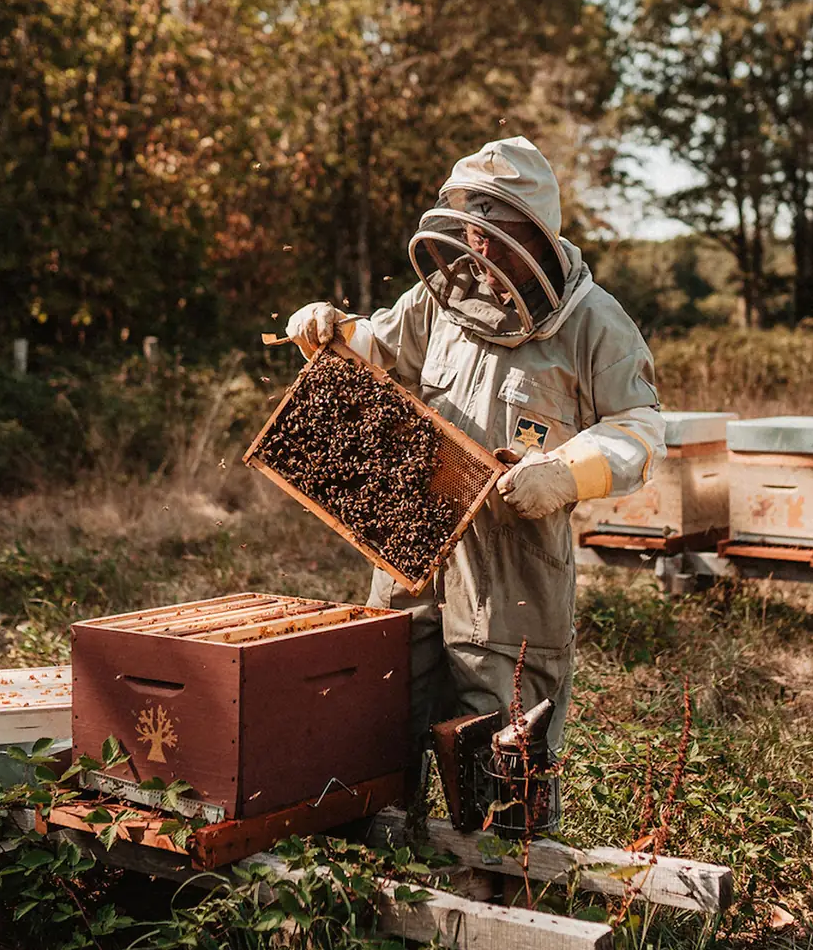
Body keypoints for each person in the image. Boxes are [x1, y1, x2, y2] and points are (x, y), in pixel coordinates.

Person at [284, 135, 664, 775]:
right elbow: (378, 348)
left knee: (505, 765)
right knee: (381, 743)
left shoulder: (595, 323)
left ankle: (505, 876)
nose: (481, 249)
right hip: (410, 556)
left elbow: (640, 430)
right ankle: (394, 866)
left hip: (512, 577)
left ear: (537, 232)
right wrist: (330, 327)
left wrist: (565, 473)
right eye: (473, 228)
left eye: (497, 231)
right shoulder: (443, 299)